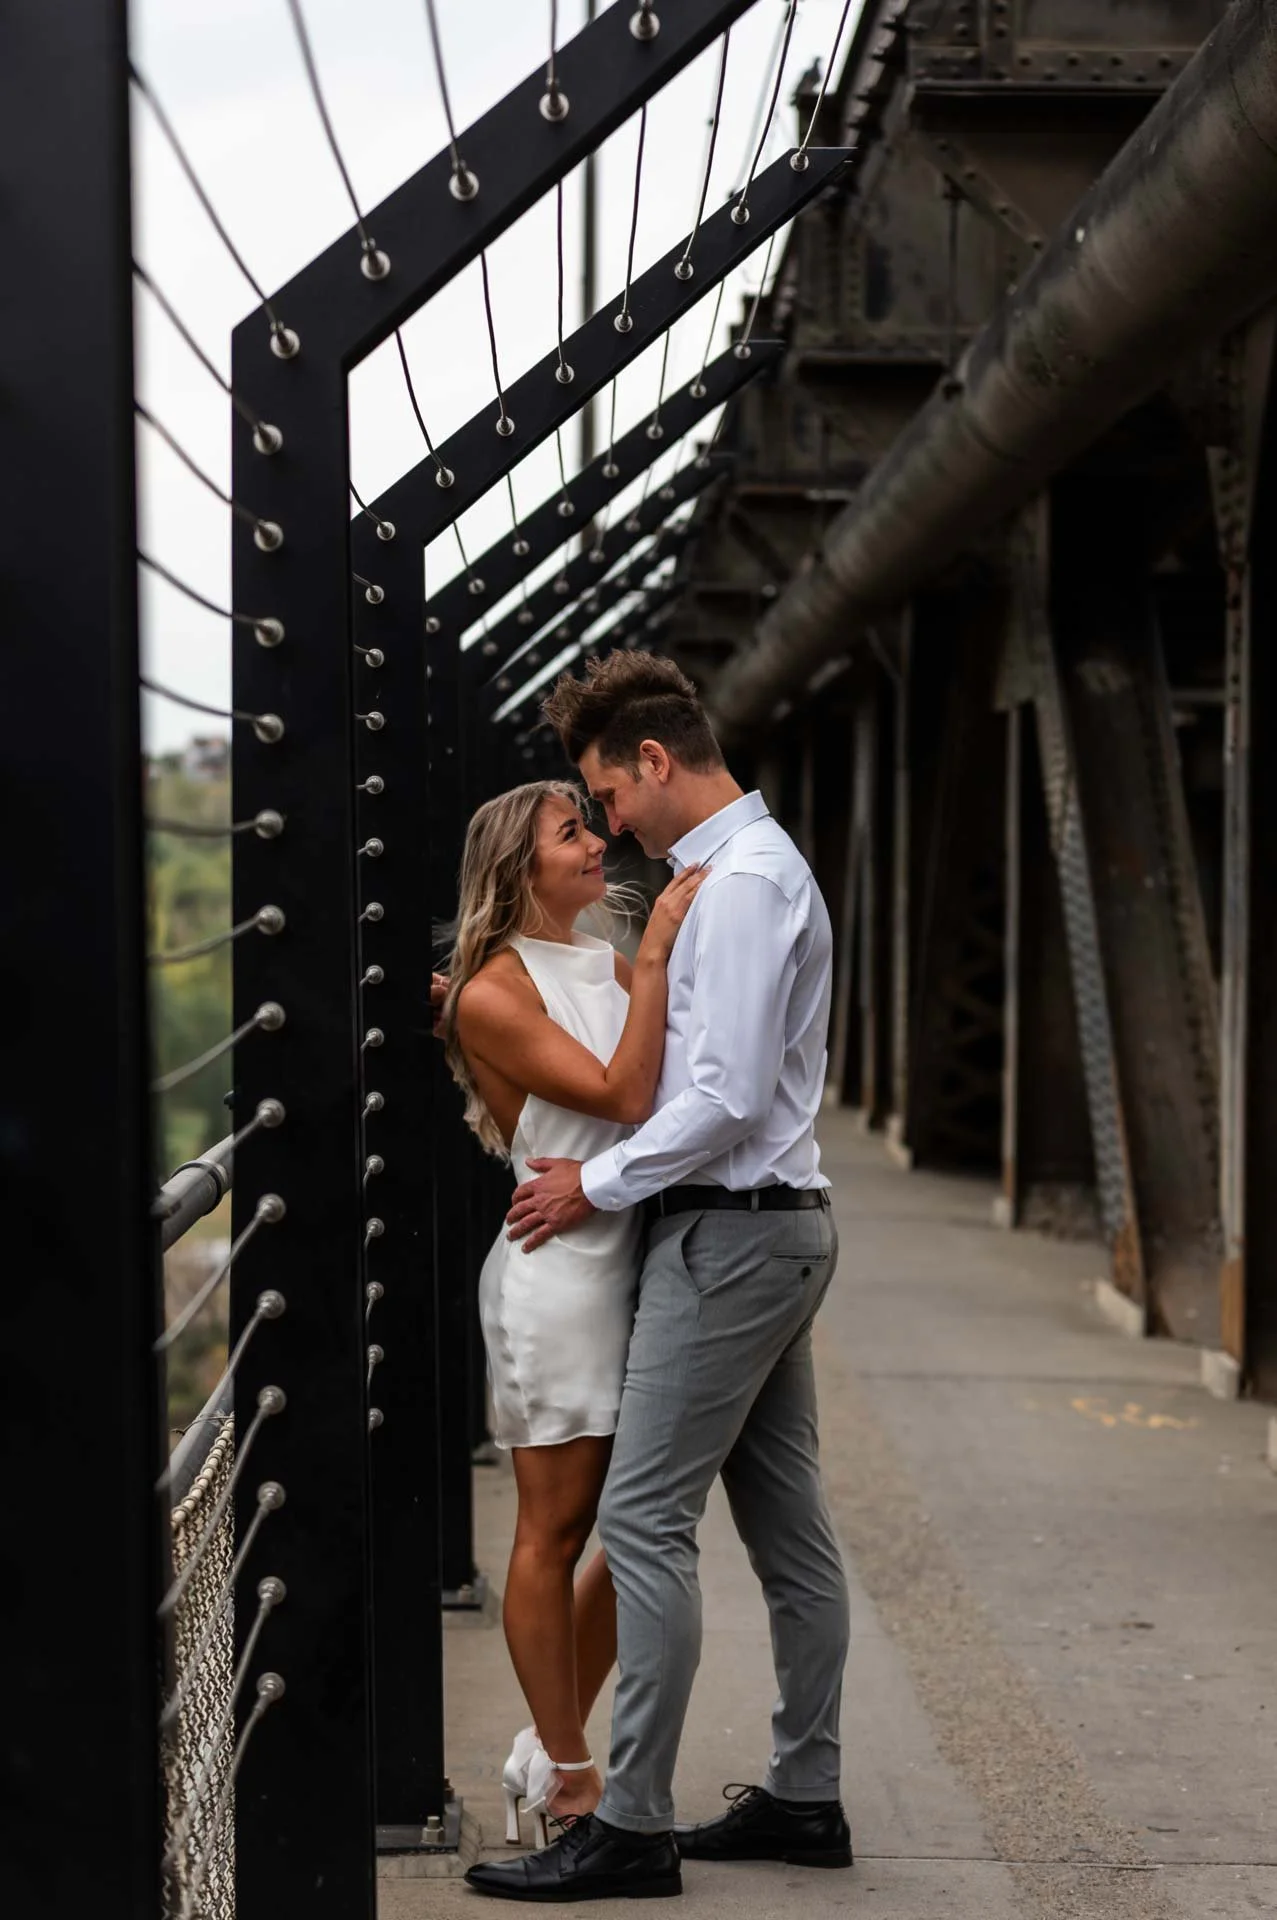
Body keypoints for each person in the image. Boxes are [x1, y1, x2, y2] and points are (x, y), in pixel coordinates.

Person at [465, 653, 852, 1905]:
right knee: (788, 1531)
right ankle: (804, 1796)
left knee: (637, 1525)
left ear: (649, 761)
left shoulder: (737, 888)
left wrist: (599, 1185)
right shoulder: (732, 875)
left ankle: (626, 1825)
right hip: (764, 1227)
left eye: (602, 796)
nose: (608, 825)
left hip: (728, 1232)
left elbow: (723, 1097)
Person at [438, 779, 706, 1849]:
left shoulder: (594, 957)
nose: (596, 844)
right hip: (554, 1277)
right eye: (570, 833)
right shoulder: (492, 990)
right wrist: (654, 960)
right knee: (554, 1530)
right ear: (519, 870)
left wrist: (638, 963)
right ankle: (571, 1773)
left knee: (635, 1524)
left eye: (590, 827)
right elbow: (625, 1094)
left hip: (628, 1260)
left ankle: (548, 1752)